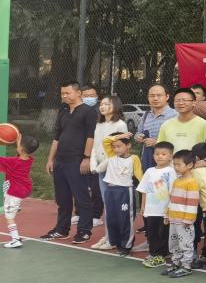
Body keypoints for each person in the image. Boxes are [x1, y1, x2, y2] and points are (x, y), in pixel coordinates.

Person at [43, 81, 97, 242]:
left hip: (77, 161)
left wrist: (86, 158)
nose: (64, 96)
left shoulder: (89, 111)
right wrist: (50, 159)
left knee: (82, 198)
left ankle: (84, 231)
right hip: (60, 162)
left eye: (68, 93)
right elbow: (57, 137)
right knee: (63, 199)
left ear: (78, 93)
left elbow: (91, 136)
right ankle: (62, 229)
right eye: (62, 93)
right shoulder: (63, 111)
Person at [88, 97, 128, 250]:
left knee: (113, 205)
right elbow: (96, 146)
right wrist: (93, 164)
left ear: (116, 106)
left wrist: (100, 167)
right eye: (102, 104)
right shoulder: (99, 124)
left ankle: (114, 239)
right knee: (107, 203)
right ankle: (109, 235)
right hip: (101, 168)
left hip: (113, 169)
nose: (103, 106)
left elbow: (118, 149)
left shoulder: (120, 124)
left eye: (107, 104)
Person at [95, 134, 144, 256]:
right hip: (110, 191)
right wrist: (120, 136)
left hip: (125, 191)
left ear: (128, 145)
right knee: (112, 219)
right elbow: (105, 141)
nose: (116, 149)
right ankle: (116, 243)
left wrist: (145, 189)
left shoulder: (134, 158)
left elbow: (139, 175)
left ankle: (126, 245)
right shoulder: (112, 155)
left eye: (119, 146)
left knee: (125, 219)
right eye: (114, 147)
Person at [136, 141, 174, 267]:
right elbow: (144, 190)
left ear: (170, 156)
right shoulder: (149, 171)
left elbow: (172, 192)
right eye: (157, 154)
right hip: (150, 210)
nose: (160, 156)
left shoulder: (171, 171)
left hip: (164, 211)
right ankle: (154, 253)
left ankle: (160, 256)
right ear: (153, 156)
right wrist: (143, 206)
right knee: (152, 233)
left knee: (163, 233)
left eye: (163, 154)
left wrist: (170, 209)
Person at [166, 149, 201, 278]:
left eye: (178, 164)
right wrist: (167, 214)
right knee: (174, 243)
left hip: (184, 221)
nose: (176, 167)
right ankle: (176, 263)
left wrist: (188, 219)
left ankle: (186, 266)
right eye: (174, 164)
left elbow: (192, 203)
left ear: (190, 165)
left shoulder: (191, 182)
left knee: (185, 243)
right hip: (174, 219)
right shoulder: (177, 180)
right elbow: (172, 199)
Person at [1, 131, 39, 248]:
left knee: (9, 217)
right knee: (6, 187)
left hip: (14, 192)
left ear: (21, 149)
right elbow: (20, 155)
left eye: (18, 145)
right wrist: (19, 144)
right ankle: (15, 206)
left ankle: (15, 239)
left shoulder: (12, 162)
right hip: (22, 189)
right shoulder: (29, 160)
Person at [134, 84, 177, 171]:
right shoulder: (146, 115)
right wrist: (137, 137)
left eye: (159, 95)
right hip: (147, 160)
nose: (155, 98)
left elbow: (179, 139)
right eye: (152, 96)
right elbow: (138, 132)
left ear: (167, 97)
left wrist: (157, 142)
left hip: (168, 164)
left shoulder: (175, 115)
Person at [157, 88, 206, 153]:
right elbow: (160, 149)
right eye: (177, 101)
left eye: (184, 100)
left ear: (194, 102)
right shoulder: (166, 125)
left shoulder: (205, 125)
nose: (181, 103)